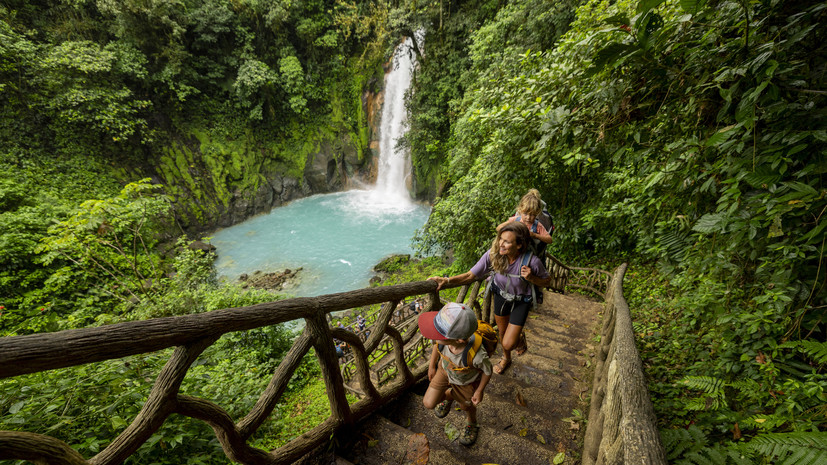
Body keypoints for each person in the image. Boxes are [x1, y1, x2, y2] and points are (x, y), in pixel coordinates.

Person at [429, 222, 551, 374]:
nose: (501, 243)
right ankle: (506, 359)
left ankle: (518, 339)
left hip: (521, 300)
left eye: (507, 241)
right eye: (501, 239)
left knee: (507, 342)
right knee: (502, 333)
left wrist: (532, 277)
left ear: (519, 245)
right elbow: (470, 275)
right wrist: (446, 280)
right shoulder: (493, 255)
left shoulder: (532, 262)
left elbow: (547, 281)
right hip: (500, 294)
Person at [418, 302, 492, 447]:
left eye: (437, 334)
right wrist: (432, 365)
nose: (433, 336)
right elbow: (437, 346)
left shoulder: (477, 356)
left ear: (459, 340)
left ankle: (471, 421)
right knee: (429, 403)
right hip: (444, 371)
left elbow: (488, 371)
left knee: (466, 406)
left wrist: (479, 390)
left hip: (465, 382)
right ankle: (451, 395)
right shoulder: (444, 342)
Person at [496, 189, 553, 256]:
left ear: (537, 213)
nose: (528, 218)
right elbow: (498, 228)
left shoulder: (537, 225)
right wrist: (510, 230)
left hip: (528, 256)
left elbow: (549, 240)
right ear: (520, 210)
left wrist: (535, 235)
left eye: (532, 215)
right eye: (525, 214)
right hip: (513, 252)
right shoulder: (515, 220)